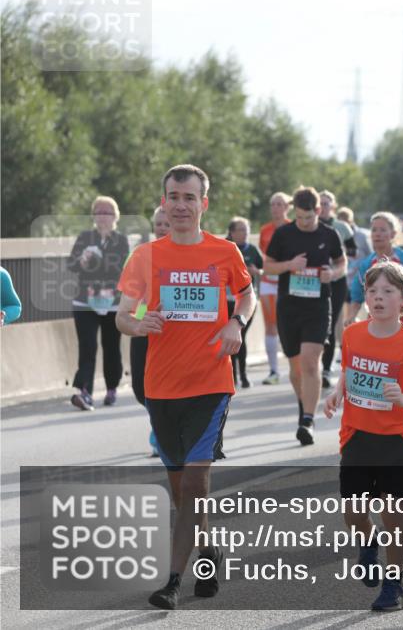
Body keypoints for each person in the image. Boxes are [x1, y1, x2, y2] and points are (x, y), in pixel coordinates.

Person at [116, 164, 255, 610]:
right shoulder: (145, 256)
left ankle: (173, 580)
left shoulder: (225, 251)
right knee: (181, 490)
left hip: (212, 382)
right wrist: (142, 322)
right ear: (163, 202)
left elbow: (247, 294)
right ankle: (210, 551)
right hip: (161, 386)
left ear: (203, 204)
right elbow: (124, 315)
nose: (180, 205)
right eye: (173, 196)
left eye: (189, 197)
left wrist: (236, 321)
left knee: (196, 479)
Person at [324, 261, 403, 612]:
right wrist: (338, 391)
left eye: (387, 292)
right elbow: (350, 368)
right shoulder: (353, 334)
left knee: (394, 514)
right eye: (372, 291)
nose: (378, 298)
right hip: (357, 436)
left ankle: (395, 583)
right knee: (354, 512)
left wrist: (402, 399)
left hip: (394, 439)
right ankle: (368, 541)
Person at [263, 186, 347, 446]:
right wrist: (289, 265)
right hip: (289, 308)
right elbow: (268, 266)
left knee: (311, 363)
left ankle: (308, 420)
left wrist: (331, 275)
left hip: (318, 307)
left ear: (318, 211)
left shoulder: (329, 234)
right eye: (298, 217)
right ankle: (304, 408)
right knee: (296, 368)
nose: (303, 222)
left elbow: (342, 264)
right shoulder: (283, 234)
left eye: (308, 218)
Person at [68, 195, 130, 410]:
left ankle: (112, 387)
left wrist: (101, 261)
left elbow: (123, 269)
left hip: (112, 302)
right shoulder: (85, 237)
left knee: (111, 347)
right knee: (88, 346)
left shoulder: (121, 241)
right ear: (93, 216)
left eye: (107, 212)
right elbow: (71, 265)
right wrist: (82, 260)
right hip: (85, 302)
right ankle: (84, 392)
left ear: (116, 216)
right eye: (99, 212)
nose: (103, 216)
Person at [347, 212, 403, 339]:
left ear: (393, 234)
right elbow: (356, 296)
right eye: (374, 230)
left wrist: (401, 306)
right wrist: (351, 316)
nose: (377, 234)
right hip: (376, 325)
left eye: (383, 230)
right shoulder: (366, 264)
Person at [129, 206, 170, 457]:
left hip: (173, 330)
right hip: (144, 324)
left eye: (166, 223)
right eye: (158, 223)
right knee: (139, 387)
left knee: (166, 385)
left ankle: (161, 432)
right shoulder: (141, 255)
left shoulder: (189, 256)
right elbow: (128, 291)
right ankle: (160, 422)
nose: (162, 228)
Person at [318, 190, 358, 389]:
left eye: (327, 203)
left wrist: (336, 260)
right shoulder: (310, 224)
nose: (323, 206)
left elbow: (353, 251)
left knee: (331, 321)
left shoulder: (341, 227)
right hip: (314, 279)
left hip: (336, 279)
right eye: (321, 203)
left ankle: (325, 370)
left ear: (333, 206)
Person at [225, 217, 264, 388]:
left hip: (247, 300)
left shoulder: (253, 250)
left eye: (247, 229)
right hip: (226, 299)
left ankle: (243, 375)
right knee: (230, 336)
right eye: (241, 229)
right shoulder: (224, 248)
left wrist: (256, 271)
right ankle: (232, 375)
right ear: (232, 232)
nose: (245, 233)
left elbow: (263, 269)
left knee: (241, 335)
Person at [258, 192, 292, 385]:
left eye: (280, 204)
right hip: (268, 283)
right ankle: (273, 371)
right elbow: (264, 255)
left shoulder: (293, 227)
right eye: (273, 204)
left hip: (288, 283)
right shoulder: (265, 230)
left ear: (287, 207)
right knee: (270, 325)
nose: (276, 208)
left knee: (286, 326)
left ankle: (295, 367)